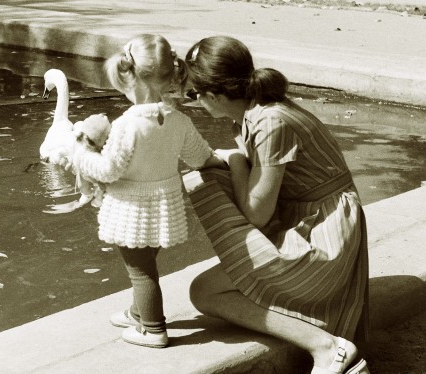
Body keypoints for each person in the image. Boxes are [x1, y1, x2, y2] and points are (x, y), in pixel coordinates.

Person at [182, 35, 369, 373]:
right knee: (212, 178)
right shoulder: (254, 110)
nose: (194, 101)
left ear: (215, 96)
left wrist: (235, 159)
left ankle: (327, 347)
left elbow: (256, 214)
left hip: (325, 235)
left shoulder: (270, 121)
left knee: (205, 292)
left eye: (193, 94)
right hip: (308, 218)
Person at [70, 33, 214, 348]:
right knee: (146, 262)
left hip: (131, 211)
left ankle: (152, 328)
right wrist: (227, 161)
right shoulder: (179, 120)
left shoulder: (128, 124)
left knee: (141, 272)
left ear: (130, 79)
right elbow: (200, 157)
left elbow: (109, 170)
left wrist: (80, 155)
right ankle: (138, 312)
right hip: (164, 207)